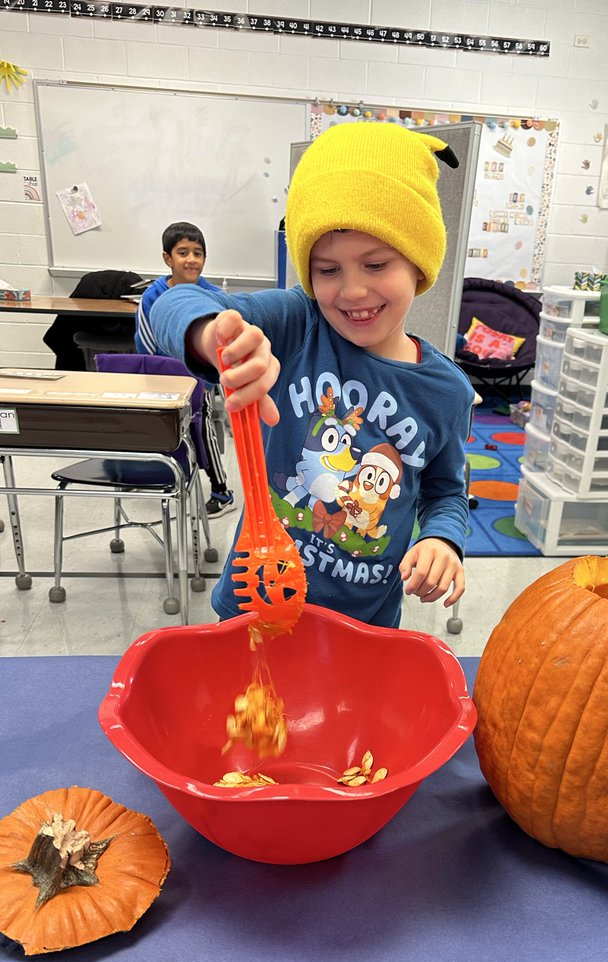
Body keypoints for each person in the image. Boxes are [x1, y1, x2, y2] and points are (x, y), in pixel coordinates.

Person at [148, 122, 473, 628]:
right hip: (253, 608)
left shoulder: (446, 392)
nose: (353, 291)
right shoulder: (296, 324)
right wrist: (213, 337)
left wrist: (441, 538)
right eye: (328, 269)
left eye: (376, 263)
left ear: (419, 263)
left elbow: (445, 491)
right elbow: (175, 303)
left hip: (364, 629)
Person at [136, 221, 234, 515]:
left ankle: (221, 489)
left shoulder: (212, 295)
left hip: (197, 380)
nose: (191, 259)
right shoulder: (151, 297)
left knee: (202, 429)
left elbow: (220, 344)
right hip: (161, 378)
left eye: (198, 253)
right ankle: (171, 478)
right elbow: (146, 343)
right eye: (183, 252)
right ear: (168, 258)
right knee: (164, 431)